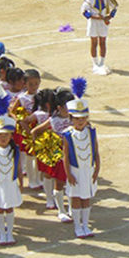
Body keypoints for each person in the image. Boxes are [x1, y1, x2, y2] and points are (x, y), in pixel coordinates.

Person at [64, 77, 100, 238]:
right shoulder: (67, 135)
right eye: (76, 119)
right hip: (75, 171)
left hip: (89, 170)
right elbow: (65, 156)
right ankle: (77, 226)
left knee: (87, 198)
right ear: (71, 119)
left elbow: (96, 151)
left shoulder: (91, 132)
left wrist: (97, 169)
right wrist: (69, 174)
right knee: (76, 198)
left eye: (83, 118)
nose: (80, 122)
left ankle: (86, 225)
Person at [31, 89, 74, 223]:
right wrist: (44, 147)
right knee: (60, 182)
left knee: (73, 182)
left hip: (75, 155)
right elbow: (34, 131)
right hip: (60, 156)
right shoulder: (53, 120)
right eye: (68, 106)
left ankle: (73, 209)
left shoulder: (76, 118)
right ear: (60, 107)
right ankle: (61, 211)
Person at [0, 95, 23, 245]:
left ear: (10, 135)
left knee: (10, 208)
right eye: (0, 135)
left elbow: (18, 166)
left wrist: (20, 181)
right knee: (0, 208)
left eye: (5, 135)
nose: (3, 138)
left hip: (11, 182)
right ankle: (2, 233)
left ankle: (10, 233)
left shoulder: (16, 149)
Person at [82, 0, 118, 76]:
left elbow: (115, 7)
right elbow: (83, 11)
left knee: (103, 41)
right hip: (93, 23)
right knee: (94, 42)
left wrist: (109, 16)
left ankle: (102, 62)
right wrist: (94, 17)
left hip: (103, 23)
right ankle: (95, 63)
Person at [22, 89, 56, 209]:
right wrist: (32, 136)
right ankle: (49, 197)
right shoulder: (40, 114)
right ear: (48, 104)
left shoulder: (57, 114)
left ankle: (52, 195)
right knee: (47, 173)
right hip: (45, 146)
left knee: (53, 172)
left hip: (56, 146)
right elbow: (24, 122)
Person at [10, 69, 41, 190]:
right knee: (29, 156)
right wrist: (19, 120)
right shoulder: (21, 97)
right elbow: (12, 111)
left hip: (39, 127)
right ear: (25, 83)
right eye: (31, 84)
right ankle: (32, 180)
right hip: (26, 128)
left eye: (36, 83)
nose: (34, 86)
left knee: (39, 155)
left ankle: (39, 178)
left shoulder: (41, 95)